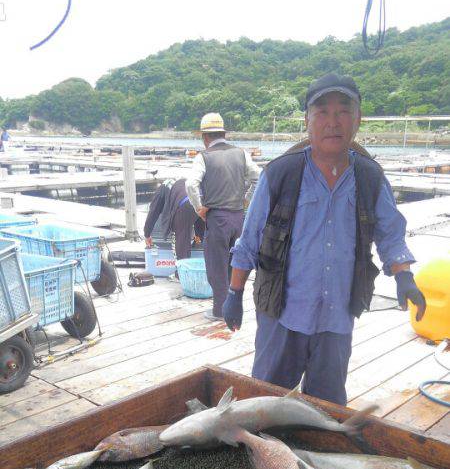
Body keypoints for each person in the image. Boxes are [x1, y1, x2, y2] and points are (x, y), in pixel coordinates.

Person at [222, 73, 426, 405]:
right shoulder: (280, 174)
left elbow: (390, 233)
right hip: (282, 313)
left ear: (358, 119)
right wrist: (233, 292)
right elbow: (249, 240)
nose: (333, 122)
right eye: (322, 112)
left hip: (337, 317)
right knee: (265, 404)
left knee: (327, 410)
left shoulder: (370, 177)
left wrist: (404, 275)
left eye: (343, 111)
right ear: (308, 121)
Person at [186, 113, 260, 321]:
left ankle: (220, 311)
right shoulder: (241, 153)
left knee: (216, 267)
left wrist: (199, 207)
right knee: (235, 265)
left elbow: (191, 184)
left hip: (217, 219)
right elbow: (259, 178)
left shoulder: (203, 157)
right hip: (238, 218)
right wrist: (246, 200)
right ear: (224, 134)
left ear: (204, 137)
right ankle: (234, 307)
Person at [144, 178, 204, 263]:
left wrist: (147, 234)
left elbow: (153, 212)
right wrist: (198, 238)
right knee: (199, 235)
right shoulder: (181, 182)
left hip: (184, 205)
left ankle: (182, 272)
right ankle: (199, 244)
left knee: (181, 239)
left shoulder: (163, 188)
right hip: (200, 201)